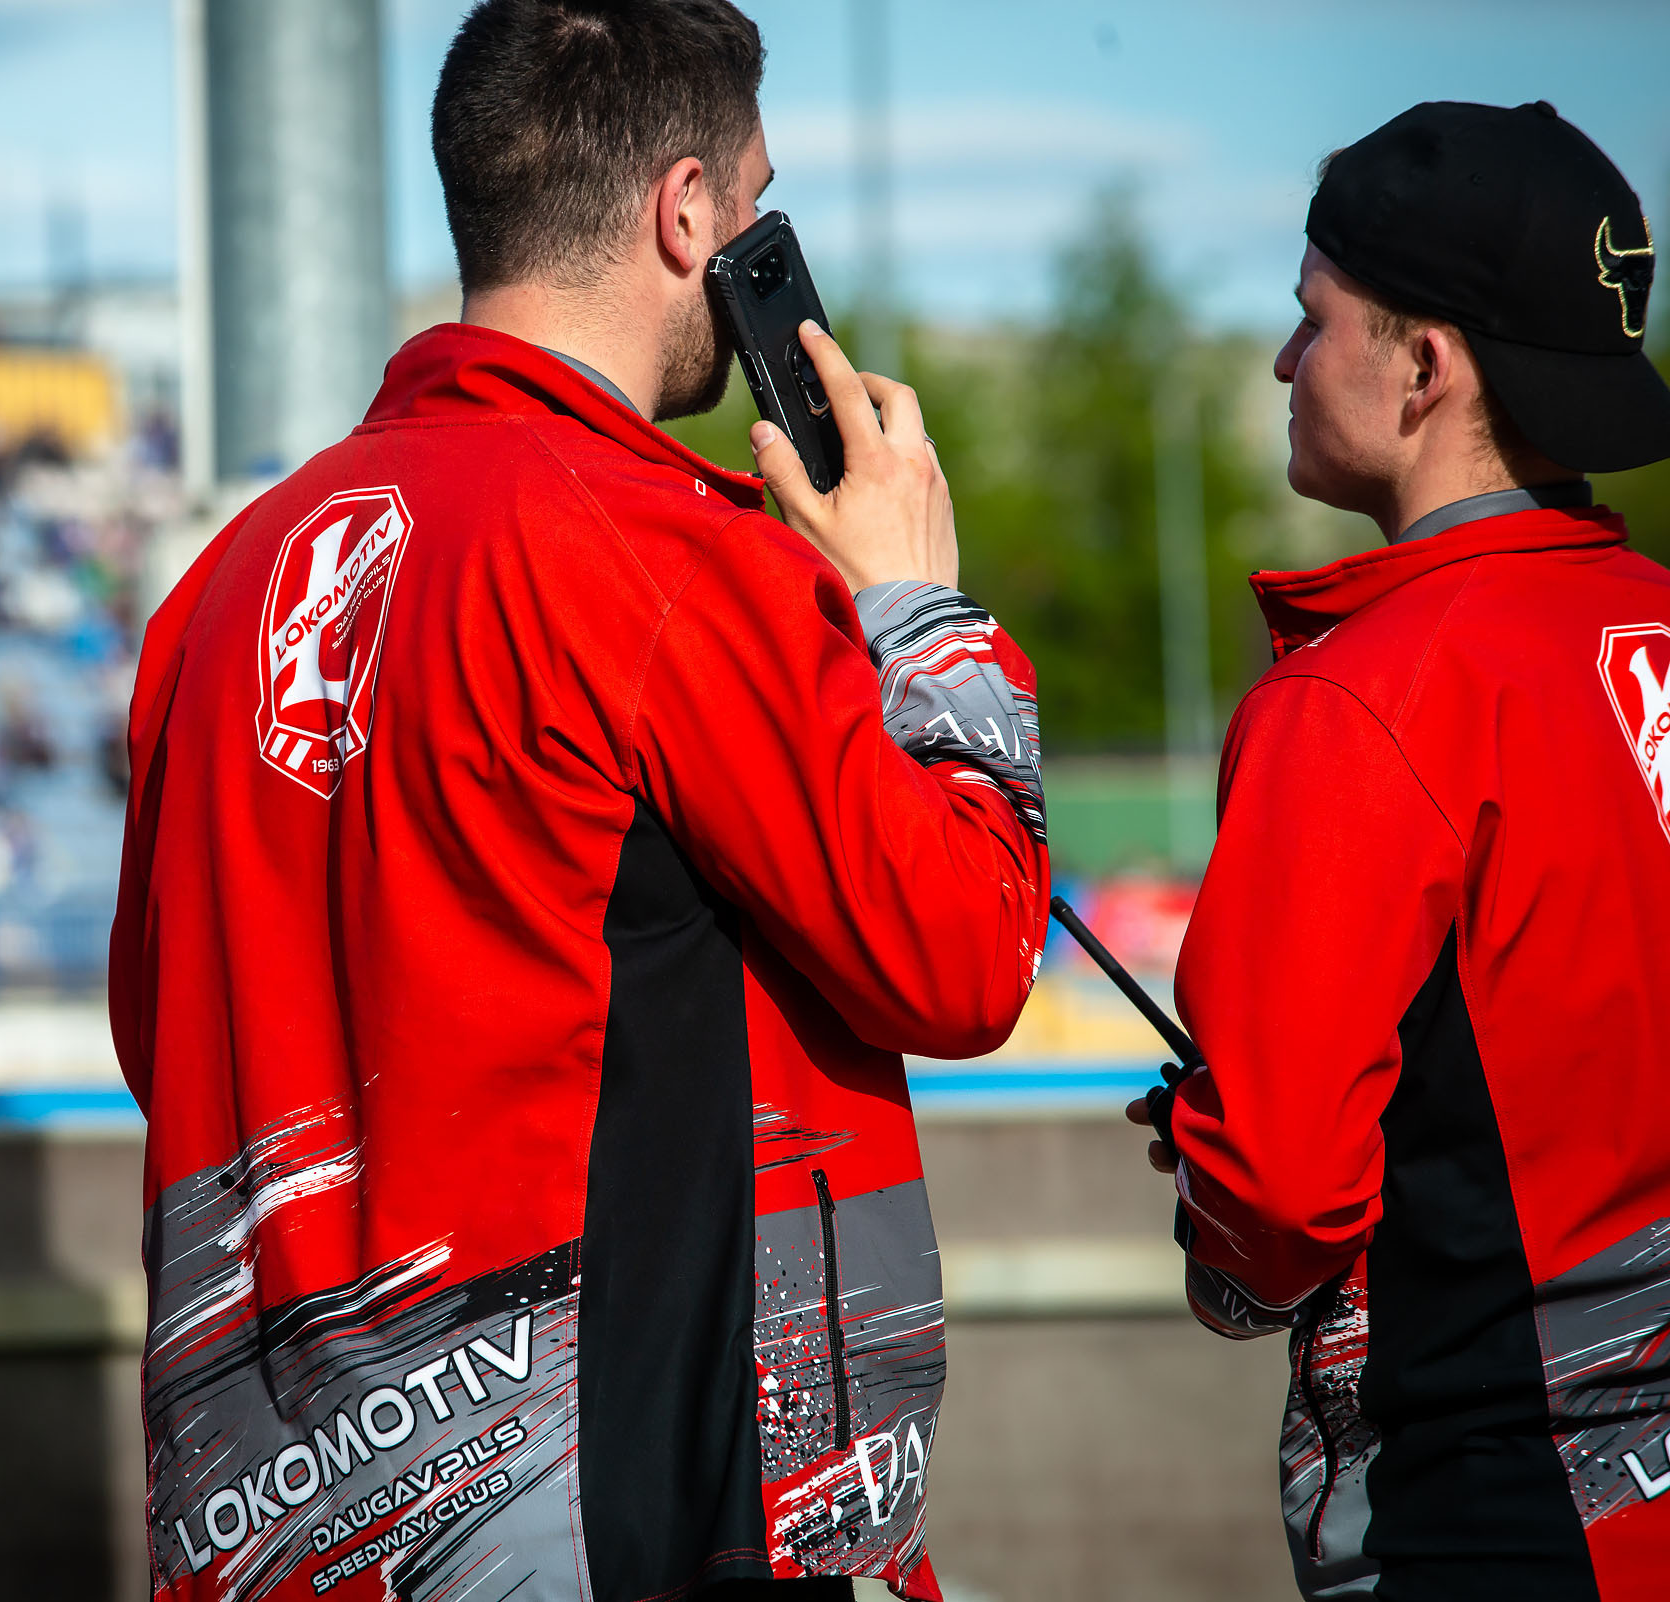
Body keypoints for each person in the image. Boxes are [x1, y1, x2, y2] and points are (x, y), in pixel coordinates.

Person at [110, 3, 1047, 1598]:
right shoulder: (673, 559)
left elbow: (164, 1027)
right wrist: (917, 614)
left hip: (275, 1525)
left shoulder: (215, 591)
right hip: (618, 1518)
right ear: (686, 215)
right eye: (754, 202)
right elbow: (959, 953)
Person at [1135, 102, 1670, 1599]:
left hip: (1499, 1515)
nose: (1285, 362)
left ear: (1425, 365)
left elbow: (1283, 1214)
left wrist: (1208, 1171)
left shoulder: (1361, 695)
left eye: (1313, 321)